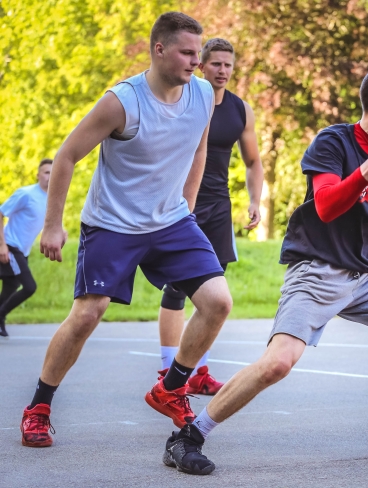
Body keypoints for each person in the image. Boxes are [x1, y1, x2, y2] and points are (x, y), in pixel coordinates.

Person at [160, 66, 368, 476]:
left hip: (366, 276)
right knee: (277, 364)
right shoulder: (333, 141)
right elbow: (324, 205)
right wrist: (367, 170)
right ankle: (188, 436)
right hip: (317, 273)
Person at [20, 12, 233, 449]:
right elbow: (65, 157)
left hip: (171, 221)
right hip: (113, 224)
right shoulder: (122, 101)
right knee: (87, 314)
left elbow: (199, 148)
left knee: (218, 302)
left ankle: (170, 388)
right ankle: (39, 406)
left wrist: (186, 208)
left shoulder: (201, 96)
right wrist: (53, 225)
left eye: (200, 53)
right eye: (187, 52)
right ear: (159, 49)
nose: (198, 61)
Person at [157, 38, 263, 395]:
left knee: (211, 294)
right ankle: (165, 371)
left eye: (228, 65)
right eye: (215, 64)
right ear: (200, 66)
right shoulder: (184, 99)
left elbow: (253, 162)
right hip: (179, 203)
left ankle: (197, 371)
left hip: (218, 206)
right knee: (176, 288)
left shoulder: (240, 110)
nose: (223, 71)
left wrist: (255, 200)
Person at [0, 159, 52, 337]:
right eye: (46, 172)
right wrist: (2, 245)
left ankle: (0, 319)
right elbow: (1, 212)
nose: (50, 176)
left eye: (53, 173)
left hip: (23, 251)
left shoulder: (52, 199)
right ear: (38, 175)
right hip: (10, 246)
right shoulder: (26, 194)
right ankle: (0, 315)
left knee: (10, 287)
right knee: (29, 287)